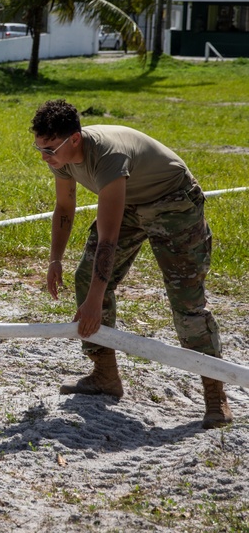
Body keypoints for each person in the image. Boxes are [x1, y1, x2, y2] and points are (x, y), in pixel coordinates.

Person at [31, 98, 233, 429]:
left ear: (75, 139)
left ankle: (215, 395)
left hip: (173, 202)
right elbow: (64, 207)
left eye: (50, 148)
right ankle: (105, 375)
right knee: (86, 279)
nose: (45, 156)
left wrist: (97, 301)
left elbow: (108, 241)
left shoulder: (108, 156)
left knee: (187, 303)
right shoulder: (60, 157)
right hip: (130, 202)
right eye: (40, 148)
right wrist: (55, 259)